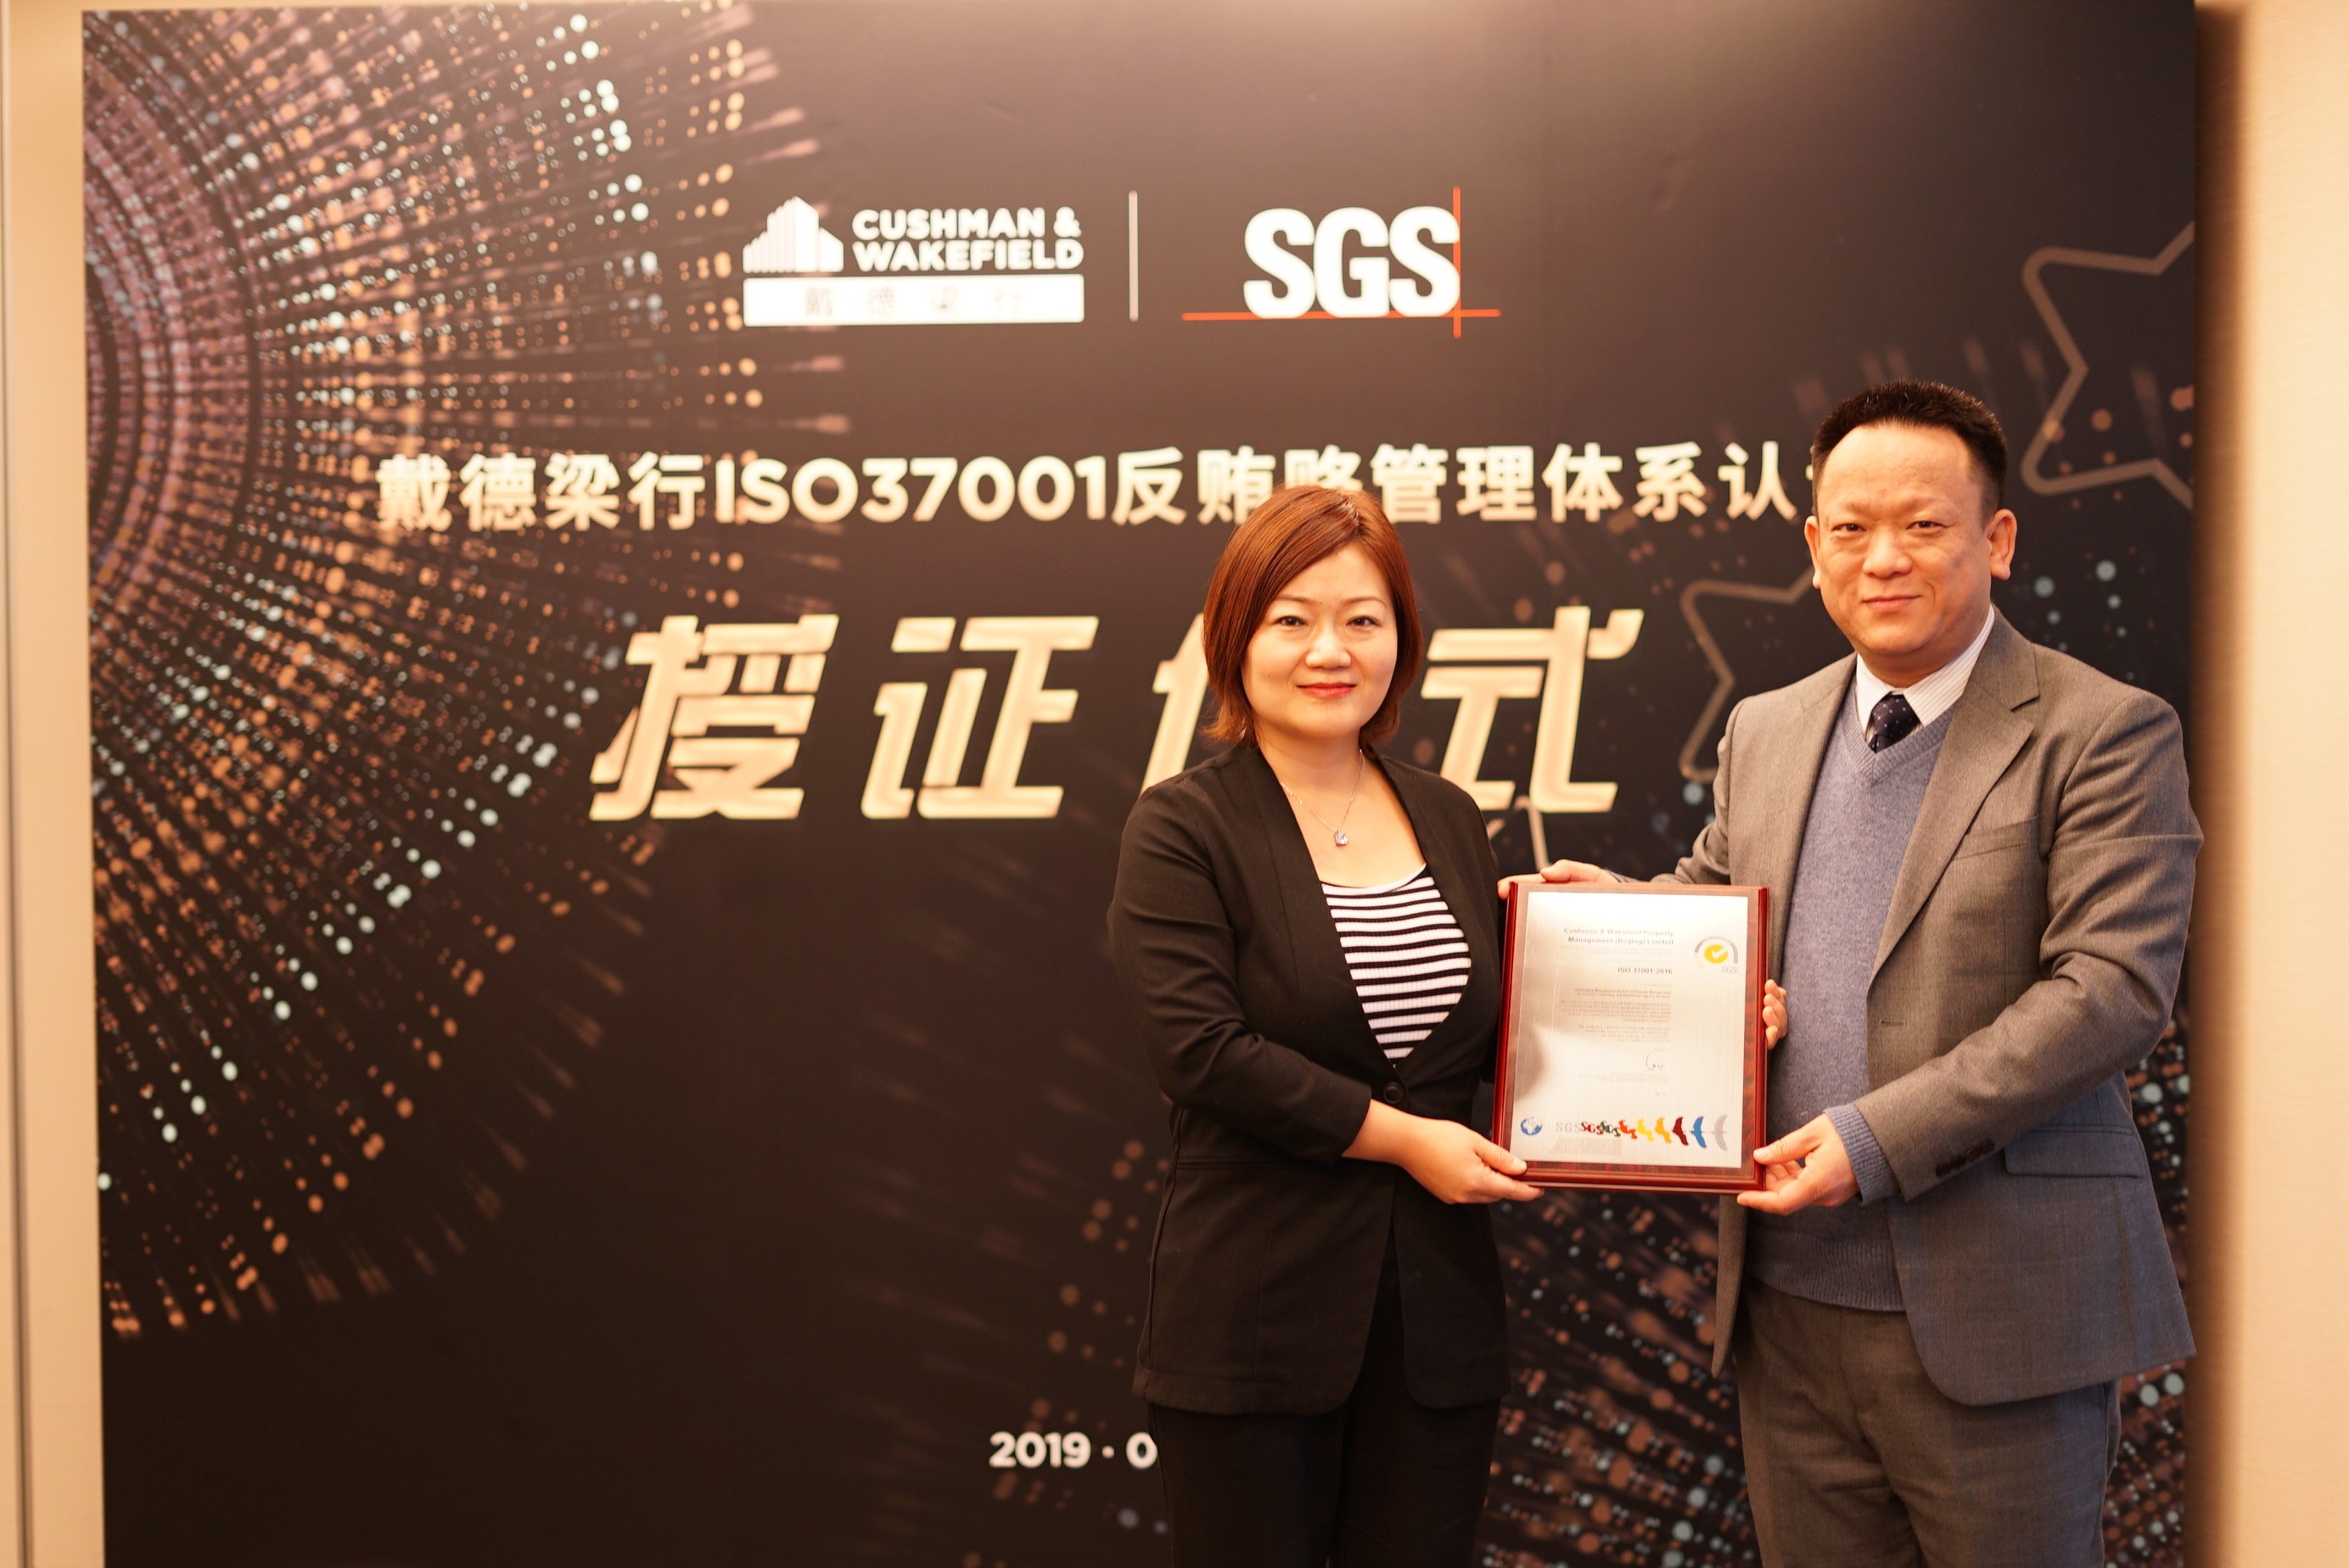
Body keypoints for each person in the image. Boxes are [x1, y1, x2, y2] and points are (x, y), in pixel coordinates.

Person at [1533, 381, 2197, 1566]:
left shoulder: (2102, 729)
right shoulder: (1768, 726)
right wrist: (1613, 922)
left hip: (2000, 1318)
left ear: (1996, 538)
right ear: (1813, 545)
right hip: (1788, 1314)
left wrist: (1875, 1140)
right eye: (1850, 527)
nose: (1882, 557)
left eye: (1923, 524)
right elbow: (1722, 910)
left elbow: (2110, 992)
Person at [1109, 485, 1796, 1567]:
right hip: (1253, 1319)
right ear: (1233, 637)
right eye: (1291, 619)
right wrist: (1404, 1140)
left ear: (1400, 639)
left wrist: (1706, 1019)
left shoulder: (1441, 813)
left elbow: (1495, 1042)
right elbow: (1203, 1053)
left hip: (1434, 1323)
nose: (1329, 649)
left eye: (1362, 619)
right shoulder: (1182, 825)